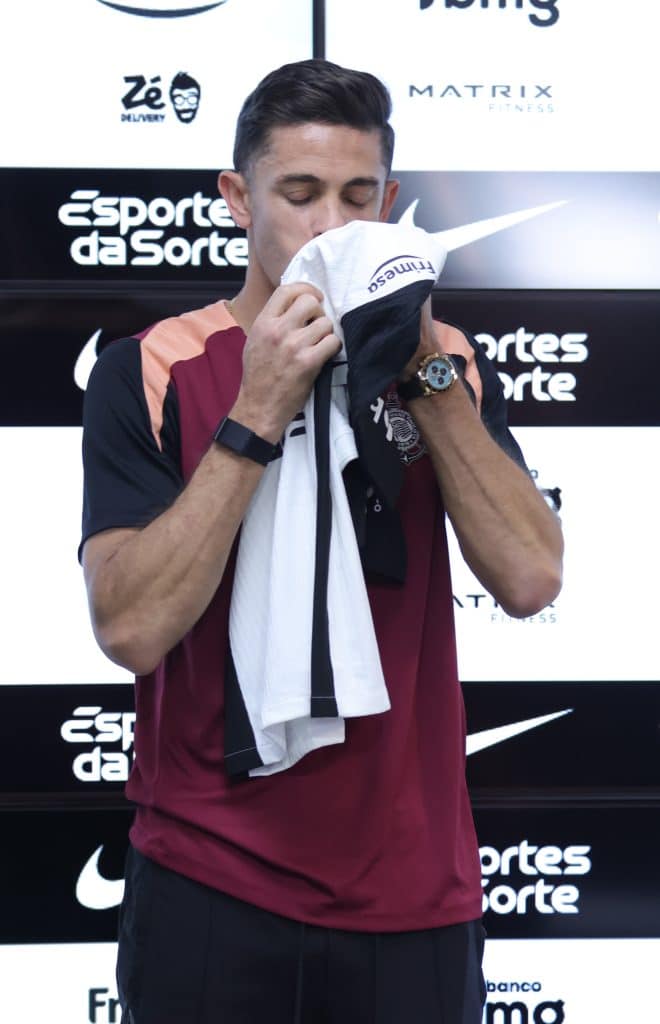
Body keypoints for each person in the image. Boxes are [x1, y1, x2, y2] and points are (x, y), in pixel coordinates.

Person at [80, 59, 563, 1024]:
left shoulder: (446, 362)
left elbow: (529, 576)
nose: (331, 228)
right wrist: (258, 408)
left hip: (413, 887)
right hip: (207, 873)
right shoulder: (155, 367)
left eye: (356, 197)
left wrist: (420, 368)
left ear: (388, 203)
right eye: (299, 194)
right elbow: (131, 628)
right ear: (238, 199)